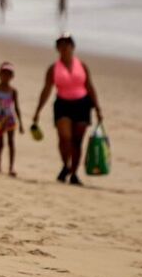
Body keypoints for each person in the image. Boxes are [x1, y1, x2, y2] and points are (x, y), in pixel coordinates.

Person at [32, 34, 103, 185]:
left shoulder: (82, 65)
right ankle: (66, 165)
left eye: (67, 45)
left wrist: (97, 108)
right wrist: (38, 110)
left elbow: (89, 86)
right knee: (65, 137)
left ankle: (74, 173)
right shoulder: (53, 69)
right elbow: (46, 89)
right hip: (63, 104)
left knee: (77, 141)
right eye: (61, 45)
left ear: (73, 47)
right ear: (57, 48)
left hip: (82, 104)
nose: (65, 48)